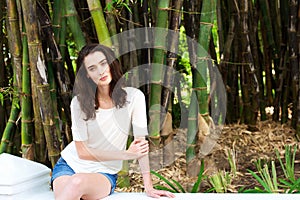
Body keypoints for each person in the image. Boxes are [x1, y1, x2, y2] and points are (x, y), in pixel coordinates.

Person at [51, 43, 175, 200]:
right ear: (87, 75)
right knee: (71, 186)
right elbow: (82, 152)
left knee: (77, 183)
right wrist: (126, 154)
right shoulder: (79, 102)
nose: (101, 71)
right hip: (68, 166)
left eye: (103, 63)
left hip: (103, 172)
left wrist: (148, 187)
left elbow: (140, 146)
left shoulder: (134, 97)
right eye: (92, 68)